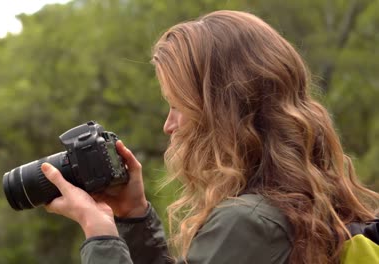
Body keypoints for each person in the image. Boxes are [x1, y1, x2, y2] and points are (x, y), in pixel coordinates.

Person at [40, 10, 379, 264]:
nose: (169, 125)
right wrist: (134, 216)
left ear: (222, 112)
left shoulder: (248, 222)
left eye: (177, 106)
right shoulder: (311, 205)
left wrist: (99, 236)